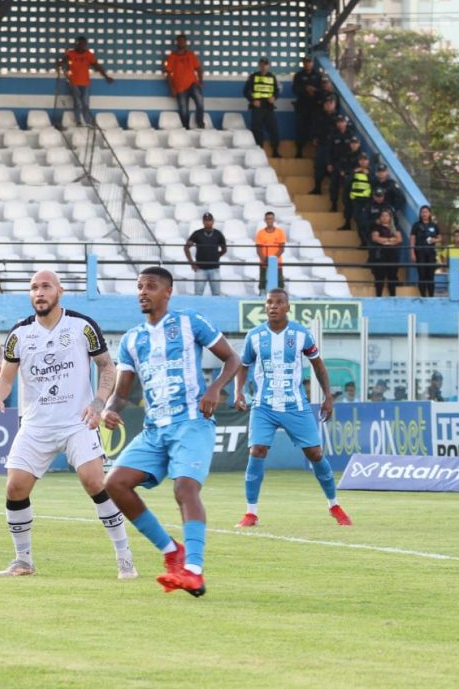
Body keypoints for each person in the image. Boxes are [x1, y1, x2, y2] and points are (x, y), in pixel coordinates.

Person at [0, 270, 134, 579]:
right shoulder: (19, 334)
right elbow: (7, 377)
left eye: (45, 287)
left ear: (59, 291)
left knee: (95, 482)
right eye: (34, 288)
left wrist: (98, 403)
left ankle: (124, 558)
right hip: (36, 424)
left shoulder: (81, 325)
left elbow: (107, 367)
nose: (39, 293)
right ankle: (23, 560)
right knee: (15, 487)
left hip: (76, 421)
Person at [102, 266, 240, 597]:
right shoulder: (132, 339)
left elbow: (232, 358)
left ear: (168, 291)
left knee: (185, 489)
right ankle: (170, 552)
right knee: (115, 484)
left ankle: (193, 569)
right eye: (138, 287)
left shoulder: (191, 322)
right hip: (155, 430)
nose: (142, 292)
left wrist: (216, 389)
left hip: (191, 422)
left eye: (150, 286)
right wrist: (108, 409)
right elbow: (123, 392)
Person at [233, 288, 351, 529]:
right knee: (256, 451)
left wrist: (327, 396)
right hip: (263, 405)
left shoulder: (301, 334)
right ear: (264, 307)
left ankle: (334, 505)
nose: (273, 306)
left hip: (295, 405)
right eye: (269, 303)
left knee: (315, 454)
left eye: (279, 303)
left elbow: (318, 365)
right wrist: (238, 392)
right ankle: (251, 512)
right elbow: (243, 365)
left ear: (288, 307)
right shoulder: (254, 336)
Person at [59, 36, 113, 126]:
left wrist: (106, 76)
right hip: (74, 83)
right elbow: (64, 62)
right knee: (77, 103)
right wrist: (60, 63)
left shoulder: (88, 55)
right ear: (76, 44)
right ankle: (78, 121)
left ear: (85, 45)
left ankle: (88, 121)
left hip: (85, 83)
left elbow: (97, 66)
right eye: (79, 43)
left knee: (85, 103)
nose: (81, 45)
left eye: (83, 44)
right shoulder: (70, 53)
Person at [163, 33, 204, 129]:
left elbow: (198, 69)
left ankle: (200, 124)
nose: (181, 43)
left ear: (186, 43)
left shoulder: (191, 55)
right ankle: (186, 128)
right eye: (179, 41)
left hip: (193, 84)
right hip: (179, 87)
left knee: (200, 103)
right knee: (183, 110)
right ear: (176, 43)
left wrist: (201, 82)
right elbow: (168, 74)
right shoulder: (171, 56)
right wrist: (171, 88)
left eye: (183, 41)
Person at [243, 57, 281, 157]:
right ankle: (258, 151)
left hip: (269, 107)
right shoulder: (253, 76)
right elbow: (245, 91)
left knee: (273, 129)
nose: (264, 66)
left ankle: (275, 151)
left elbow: (277, 91)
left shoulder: (272, 77)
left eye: (266, 64)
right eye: (262, 64)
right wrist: (253, 100)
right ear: (259, 65)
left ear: (269, 66)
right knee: (257, 130)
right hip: (257, 108)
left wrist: (274, 97)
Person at [184, 212, 227, 295]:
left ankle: (216, 308)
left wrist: (216, 255)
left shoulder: (218, 234)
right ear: (203, 222)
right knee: (198, 294)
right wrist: (192, 263)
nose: (208, 222)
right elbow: (186, 248)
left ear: (213, 221)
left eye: (209, 220)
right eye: (206, 220)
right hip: (200, 268)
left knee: (216, 294)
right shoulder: (197, 233)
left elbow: (224, 249)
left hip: (214, 268)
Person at [290, 55, 322, 158]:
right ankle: (299, 151)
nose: (307, 64)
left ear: (312, 63)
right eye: (305, 62)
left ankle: (315, 152)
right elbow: (295, 90)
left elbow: (322, 90)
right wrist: (305, 89)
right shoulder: (298, 76)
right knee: (301, 129)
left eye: (309, 62)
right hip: (302, 106)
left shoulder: (318, 75)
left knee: (315, 129)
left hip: (315, 107)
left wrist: (314, 90)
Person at [369, 208, 403, 297]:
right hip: (381, 255)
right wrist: (389, 239)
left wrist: (385, 241)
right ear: (380, 217)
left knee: (392, 277)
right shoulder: (376, 227)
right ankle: (378, 297)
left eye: (387, 216)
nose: (384, 217)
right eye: (382, 216)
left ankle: (393, 297)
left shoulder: (395, 227)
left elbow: (399, 239)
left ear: (390, 217)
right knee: (379, 278)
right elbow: (375, 238)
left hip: (393, 255)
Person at [409, 205, 440, 297]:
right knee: (421, 275)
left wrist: (435, 240)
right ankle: (423, 296)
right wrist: (412, 252)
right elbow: (412, 239)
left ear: (429, 213)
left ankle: (431, 296)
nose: (424, 214)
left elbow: (440, 237)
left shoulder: (434, 225)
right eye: (422, 212)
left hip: (431, 253)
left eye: (426, 212)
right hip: (420, 252)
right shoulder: (416, 225)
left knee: (430, 275)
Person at [254, 211, 286, 292]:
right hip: (264, 263)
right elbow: (258, 250)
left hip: (277, 263)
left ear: (274, 220)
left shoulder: (280, 232)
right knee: (263, 284)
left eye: (271, 219)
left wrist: (272, 260)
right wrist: (265, 260)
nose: (269, 220)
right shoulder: (260, 233)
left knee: (279, 283)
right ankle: (262, 298)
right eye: (267, 219)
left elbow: (281, 249)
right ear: (265, 220)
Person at [341, 153, 372, 234]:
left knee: (363, 218)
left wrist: (368, 174)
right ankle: (347, 224)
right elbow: (347, 182)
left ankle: (364, 237)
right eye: (361, 160)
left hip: (366, 199)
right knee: (350, 212)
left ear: (368, 161)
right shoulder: (354, 170)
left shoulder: (371, 171)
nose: (363, 162)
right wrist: (354, 173)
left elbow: (374, 183)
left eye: (365, 160)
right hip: (354, 197)